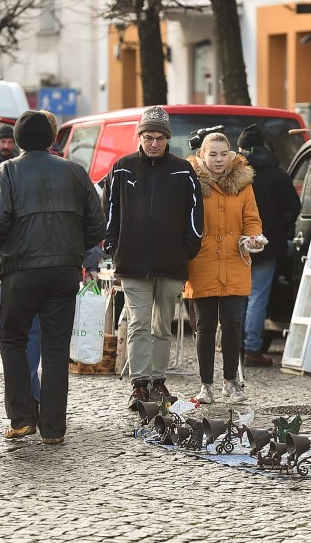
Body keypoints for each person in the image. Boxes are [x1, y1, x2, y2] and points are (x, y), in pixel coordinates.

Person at [0, 110, 105, 443]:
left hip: (19, 270)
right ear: (51, 139)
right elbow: (97, 225)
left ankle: (22, 418)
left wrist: (2, 252)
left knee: (13, 342)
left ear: (18, 139)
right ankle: (54, 427)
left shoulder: (6, 171)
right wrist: (73, 249)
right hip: (64, 271)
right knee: (55, 347)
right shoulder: (76, 172)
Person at [102, 106, 204, 409]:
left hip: (172, 262)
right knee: (138, 324)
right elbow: (110, 211)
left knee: (162, 325)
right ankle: (140, 384)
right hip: (132, 262)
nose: (154, 143)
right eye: (148, 137)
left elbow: (195, 214)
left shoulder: (183, 170)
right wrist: (112, 245)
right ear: (140, 136)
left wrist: (189, 248)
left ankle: (159, 380)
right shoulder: (122, 168)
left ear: (167, 139)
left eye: (160, 137)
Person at [184, 132, 263, 404]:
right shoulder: (191, 183)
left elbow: (251, 217)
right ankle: (206, 385)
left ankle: (231, 381)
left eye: (223, 153)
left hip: (234, 259)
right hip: (201, 261)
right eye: (213, 154)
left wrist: (253, 236)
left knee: (232, 323)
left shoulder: (243, 184)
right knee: (204, 326)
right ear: (202, 155)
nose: (219, 160)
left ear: (231, 154)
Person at [237, 124, 301, 366]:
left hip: (238, 243)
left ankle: (236, 346)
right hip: (266, 245)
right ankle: (252, 349)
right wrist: (280, 230)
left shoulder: (235, 174)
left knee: (239, 297)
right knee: (257, 297)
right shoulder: (277, 173)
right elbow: (293, 207)